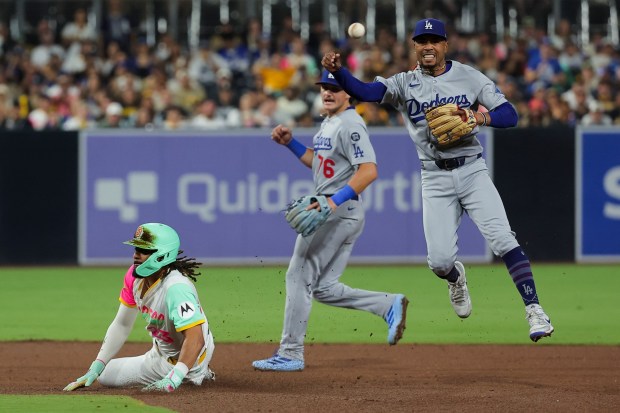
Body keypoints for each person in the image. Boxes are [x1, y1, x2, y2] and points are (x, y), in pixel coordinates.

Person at [321, 18, 554, 342]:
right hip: (435, 178)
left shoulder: (469, 76)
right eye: (421, 40)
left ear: (445, 45)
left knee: (503, 239)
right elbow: (365, 91)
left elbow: (509, 113)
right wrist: (339, 72)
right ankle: (455, 277)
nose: (427, 46)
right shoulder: (404, 82)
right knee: (439, 261)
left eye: (434, 40)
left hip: (472, 170)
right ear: (414, 46)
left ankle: (534, 310)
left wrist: (479, 116)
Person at [252, 70, 409, 372]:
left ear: (348, 92)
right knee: (323, 286)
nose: (327, 92)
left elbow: (369, 170)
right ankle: (387, 305)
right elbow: (322, 164)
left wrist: (332, 202)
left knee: (297, 276)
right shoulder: (330, 122)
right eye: (324, 86)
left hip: (336, 209)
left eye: (335, 87)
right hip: (341, 209)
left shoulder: (350, 124)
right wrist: (292, 144)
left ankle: (290, 352)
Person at [63, 223, 215, 392]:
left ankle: (199, 375)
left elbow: (196, 338)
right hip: (159, 355)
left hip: (192, 361)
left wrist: (175, 377)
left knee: (181, 383)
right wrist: (95, 367)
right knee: (105, 374)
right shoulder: (134, 277)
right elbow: (122, 325)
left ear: (162, 255)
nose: (136, 255)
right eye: (136, 249)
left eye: (144, 250)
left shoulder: (176, 288)